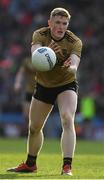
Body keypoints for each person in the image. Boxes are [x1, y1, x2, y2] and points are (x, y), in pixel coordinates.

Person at [7, 7, 82, 176]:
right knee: (34, 127)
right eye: (57, 22)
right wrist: (46, 51)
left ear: (67, 25)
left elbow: (75, 66)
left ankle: (67, 167)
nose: (60, 27)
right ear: (50, 23)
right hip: (43, 85)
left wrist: (70, 67)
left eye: (64, 23)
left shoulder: (74, 41)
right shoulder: (40, 34)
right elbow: (35, 56)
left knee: (67, 119)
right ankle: (30, 164)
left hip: (66, 84)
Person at [14, 56, 36, 123]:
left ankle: (37, 131)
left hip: (41, 90)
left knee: (37, 115)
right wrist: (17, 83)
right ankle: (29, 131)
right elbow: (21, 72)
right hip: (29, 90)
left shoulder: (45, 59)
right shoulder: (27, 61)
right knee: (26, 115)